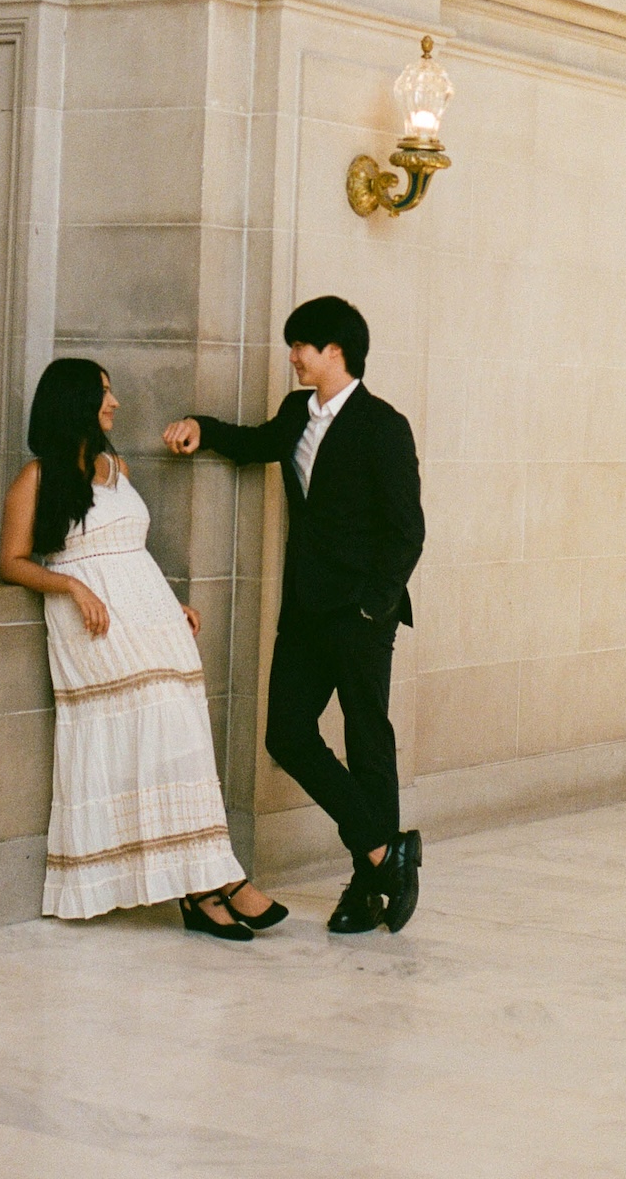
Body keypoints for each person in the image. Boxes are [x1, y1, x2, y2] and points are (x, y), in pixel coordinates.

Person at [163, 296, 426, 935]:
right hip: (305, 611)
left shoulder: (383, 425)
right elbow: (259, 444)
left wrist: (373, 607)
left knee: (368, 741)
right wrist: (203, 427)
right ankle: (383, 851)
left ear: (333, 350)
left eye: (300, 346)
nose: (292, 356)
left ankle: (368, 890)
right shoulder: (295, 411)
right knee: (286, 732)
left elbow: (407, 532)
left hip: (361, 613)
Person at [0, 357, 284, 941]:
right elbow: (12, 561)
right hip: (95, 626)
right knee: (159, 732)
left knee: (182, 734)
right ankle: (208, 886)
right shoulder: (37, 477)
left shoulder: (115, 465)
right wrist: (71, 585)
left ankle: (208, 881)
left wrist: (166, 600)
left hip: (148, 616)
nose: (116, 402)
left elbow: (131, 551)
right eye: (104, 392)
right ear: (74, 402)